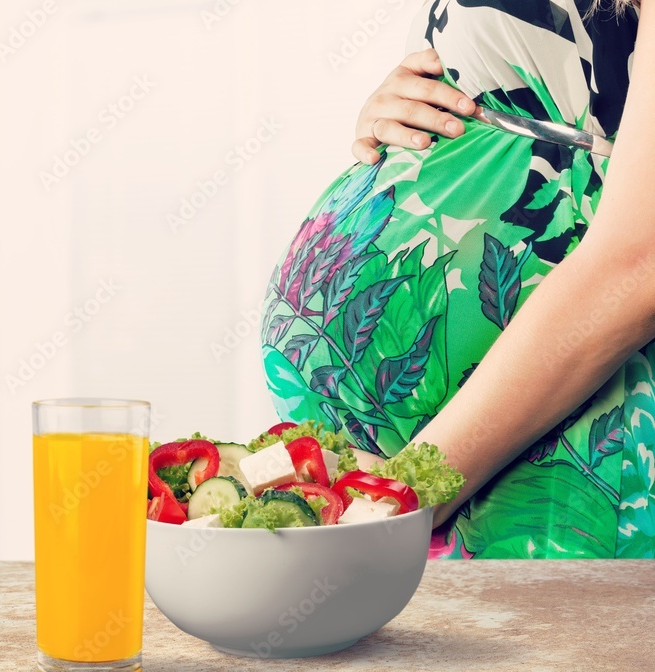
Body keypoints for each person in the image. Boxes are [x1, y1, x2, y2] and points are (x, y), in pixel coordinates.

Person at [260, 0, 654, 558]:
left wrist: (405, 494)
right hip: (434, 472)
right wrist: (410, 105)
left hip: (547, 456)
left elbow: (641, 262)